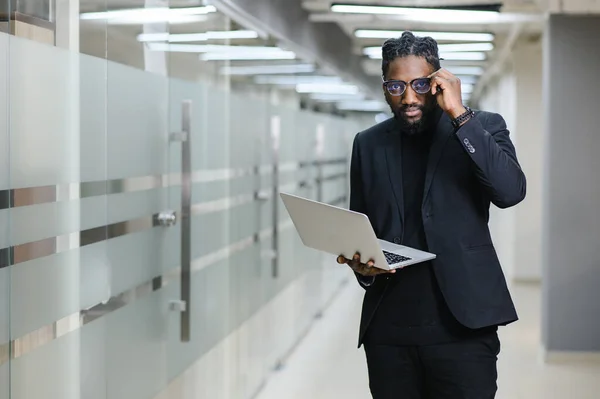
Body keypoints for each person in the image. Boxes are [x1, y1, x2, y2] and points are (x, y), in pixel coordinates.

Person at [336, 31, 526, 398]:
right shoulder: (368, 143)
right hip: (390, 333)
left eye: (420, 84)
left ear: (439, 81)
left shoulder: (481, 127)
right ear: (384, 86)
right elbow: (359, 227)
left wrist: (459, 114)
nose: (409, 98)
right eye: (396, 86)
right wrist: (363, 268)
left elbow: (510, 192)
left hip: (464, 330)